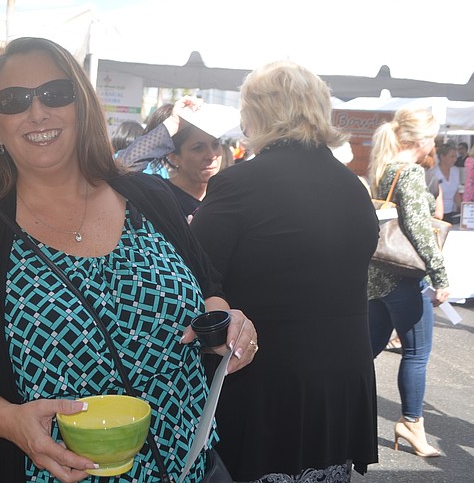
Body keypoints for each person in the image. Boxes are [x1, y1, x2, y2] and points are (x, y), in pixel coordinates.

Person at [0, 37, 258, 483]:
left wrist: (228, 326)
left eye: (55, 93)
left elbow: (209, 291)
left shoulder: (151, 198)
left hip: (193, 467)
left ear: (81, 105)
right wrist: (10, 422)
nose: (37, 112)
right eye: (15, 100)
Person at [190, 60, 379, 482]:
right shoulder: (352, 186)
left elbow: (192, 272)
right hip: (339, 379)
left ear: (257, 113)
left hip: (265, 383)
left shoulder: (240, 184)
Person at [366, 106, 452, 458]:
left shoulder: (383, 168)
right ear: (422, 139)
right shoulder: (411, 172)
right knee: (416, 353)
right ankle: (412, 424)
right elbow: (419, 228)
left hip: (377, 277)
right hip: (404, 277)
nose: (435, 143)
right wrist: (440, 276)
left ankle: (335, 405)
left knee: (365, 351)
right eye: (434, 137)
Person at [115, 97, 239, 221]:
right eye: (198, 148)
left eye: (215, 144)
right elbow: (122, 167)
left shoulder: (227, 196)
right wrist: (173, 124)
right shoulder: (159, 195)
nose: (211, 156)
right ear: (173, 157)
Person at [431, 144, 462, 221]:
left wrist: (462, 208)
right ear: (442, 157)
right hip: (435, 214)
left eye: (455, 156)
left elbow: (456, 193)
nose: (455, 159)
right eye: (452, 156)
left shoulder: (456, 171)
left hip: (451, 212)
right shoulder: (433, 173)